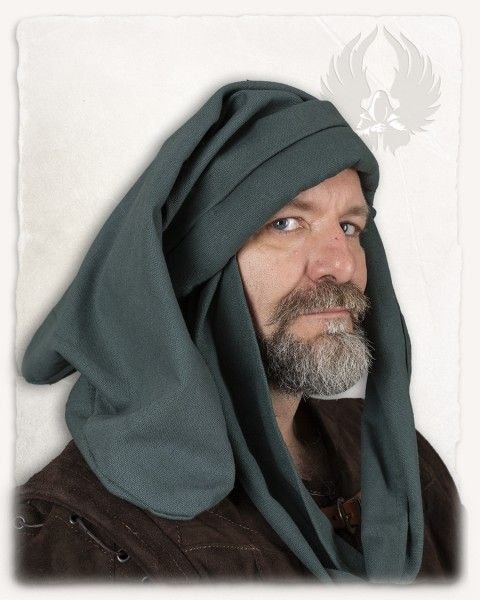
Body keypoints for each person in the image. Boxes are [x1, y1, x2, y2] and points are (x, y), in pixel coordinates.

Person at [14, 80, 464, 584]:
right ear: (201, 267)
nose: (340, 264)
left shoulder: (408, 466)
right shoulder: (79, 539)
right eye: (286, 223)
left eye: (350, 227)